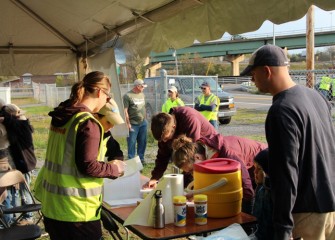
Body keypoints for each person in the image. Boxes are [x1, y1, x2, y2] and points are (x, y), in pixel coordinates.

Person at [241, 44, 335, 240]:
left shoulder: (281, 110)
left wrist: (283, 230)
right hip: (330, 206)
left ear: (266, 71)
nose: (252, 79)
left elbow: (285, 174)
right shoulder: (315, 96)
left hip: (306, 213)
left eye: (253, 73)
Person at [34, 71, 126, 240]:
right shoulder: (87, 123)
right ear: (100, 92)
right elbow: (88, 165)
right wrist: (115, 168)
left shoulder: (64, 114)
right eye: (107, 96)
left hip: (53, 207)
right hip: (77, 213)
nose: (107, 101)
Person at [171, 134, 267, 214]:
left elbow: (245, 183)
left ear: (197, 157)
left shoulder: (226, 154)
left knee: (260, 206)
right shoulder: (205, 153)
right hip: (250, 167)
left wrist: (247, 216)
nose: (192, 174)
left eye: (192, 170)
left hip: (265, 163)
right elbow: (214, 182)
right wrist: (195, 193)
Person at [142, 106, 217, 189]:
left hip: (210, 151)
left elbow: (191, 158)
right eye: (161, 140)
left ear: (173, 127)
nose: (164, 142)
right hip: (194, 154)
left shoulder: (189, 119)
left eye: (166, 138)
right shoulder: (165, 130)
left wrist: (182, 185)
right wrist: (155, 178)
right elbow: (163, 156)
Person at [1, 103, 37, 225]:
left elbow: (14, 123)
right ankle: (18, 217)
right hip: (21, 163)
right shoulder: (16, 124)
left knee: (24, 192)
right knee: (16, 191)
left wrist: (4, 119)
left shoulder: (22, 125)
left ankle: (29, 217)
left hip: (26, 165)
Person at [123, 79, 148, 164]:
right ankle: (131, 160)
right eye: (142, 86)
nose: (143, 88)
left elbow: (144, 107)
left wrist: (145, 118)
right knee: (132, 142)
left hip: (143, 122)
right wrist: (128, 124)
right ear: (137, 86)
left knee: (142, 141)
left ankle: (141, 158)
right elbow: (125, 111)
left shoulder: (142, 94)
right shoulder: (127, 96)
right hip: (133, 123)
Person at [251, 149, 274, 240]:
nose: (255, 172)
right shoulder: (260, 188)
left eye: (259, 169)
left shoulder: (272, 194)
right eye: (254, 167)